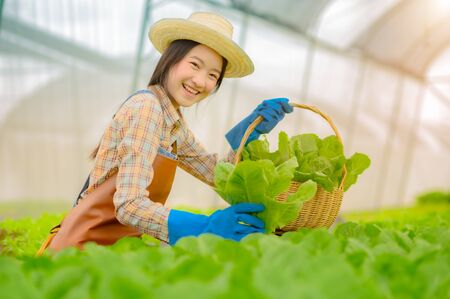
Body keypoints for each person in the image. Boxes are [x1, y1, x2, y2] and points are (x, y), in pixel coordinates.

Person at [39, 11, 293, 253]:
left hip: (114, 249)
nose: (200, 81)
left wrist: (248, 134)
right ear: (170, 59)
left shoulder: (171, 122)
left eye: (213, 75)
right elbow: (128, 205)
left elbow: (218, 176)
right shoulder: (147, 109)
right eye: (195, 64)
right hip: (85, 249)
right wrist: (204, 227)